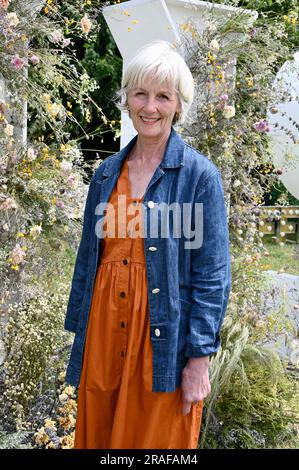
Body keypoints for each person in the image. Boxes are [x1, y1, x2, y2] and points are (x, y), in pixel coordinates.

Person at [64, 40, 231, 449]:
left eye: (162, 96)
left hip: (163, 344)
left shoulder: (199, 178)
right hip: (103, 340)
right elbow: (89, 264)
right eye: (140, 93)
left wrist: (199, 359)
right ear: (126, 98)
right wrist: (80, 344)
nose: (149, 106)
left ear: (178, 105)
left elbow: (212, 275)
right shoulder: (105, 174)